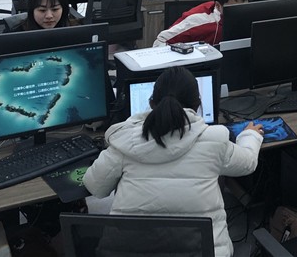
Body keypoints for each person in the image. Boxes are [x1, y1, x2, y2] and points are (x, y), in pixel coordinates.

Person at [83, 66, 264, 257]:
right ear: (198, 105)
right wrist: (250, 135)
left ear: (151, 103)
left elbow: (95, 187)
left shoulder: (126, 140)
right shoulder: (214, 140)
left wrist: (130, 126)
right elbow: (248, 163)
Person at [152, 0, 249, 47]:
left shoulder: (250, 16)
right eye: (234, 8)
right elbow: (160, 41)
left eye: (244, 7)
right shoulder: (199, 20)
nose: (240, 12)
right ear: (218, 6)